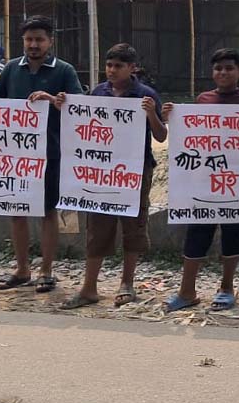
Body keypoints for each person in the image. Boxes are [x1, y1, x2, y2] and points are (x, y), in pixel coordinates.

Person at [0, 16, 83, 294]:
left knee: (47, 211)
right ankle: (21, 269)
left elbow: (77, 106)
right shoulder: (10, 70)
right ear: (23, 41)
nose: (34, 44)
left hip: (51, 152)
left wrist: (53, 100)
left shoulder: (64, 71)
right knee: (16, 211)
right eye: (29, 39)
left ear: (50, 41)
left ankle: (47, 270)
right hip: (14, 155)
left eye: (39, 39)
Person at [59, 44, 167, 309]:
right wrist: (61, 105)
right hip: (100, 172)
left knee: (133, 225)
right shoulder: (98, 92)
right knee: (97, 227)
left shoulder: (146, 95)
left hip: (135, 171)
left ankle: (127, 284)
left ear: (133, 68)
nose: (112, 70)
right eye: (109, 65)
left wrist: (151, 112)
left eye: (118, 66)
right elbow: (81, 125)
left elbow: (161, 135)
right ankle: (89, 287)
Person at [163, 49, 239, 312]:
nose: (223, 73)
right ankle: (187, 291)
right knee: (196, 232)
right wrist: (170, 117)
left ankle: (226, 288)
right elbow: (192, 136)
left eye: (229, 68)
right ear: (212, 73)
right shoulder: (203, 99)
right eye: (218, 68)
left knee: (233, 234)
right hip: (204, 181)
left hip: (235, 183)